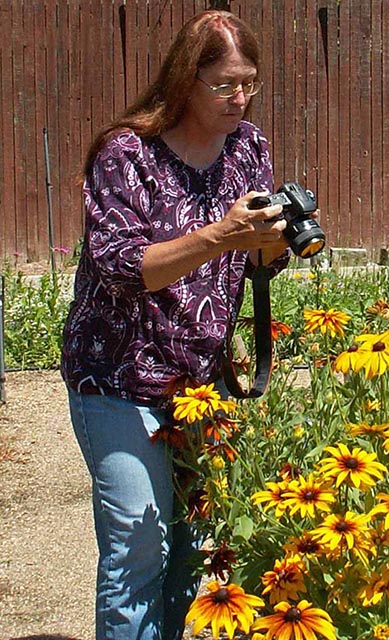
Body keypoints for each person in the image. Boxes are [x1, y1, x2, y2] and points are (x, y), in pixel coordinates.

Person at [61, 10, 289, 640]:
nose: (239, 98)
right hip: (116, 378)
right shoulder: (126, 153)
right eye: (224, 85)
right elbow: (123, 266)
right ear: (186, 80)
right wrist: (222, 234)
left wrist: (274, 240)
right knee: (139, 548)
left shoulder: (249, 147)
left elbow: (255, 260)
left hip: (200, 382)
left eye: (249, 83)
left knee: (192, 550)